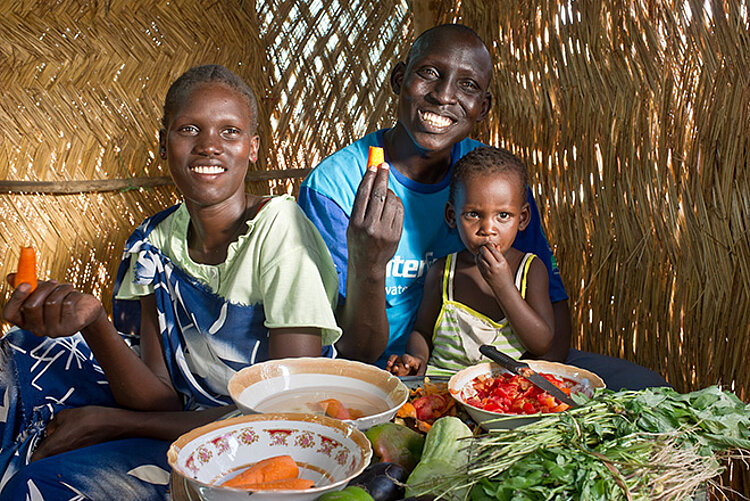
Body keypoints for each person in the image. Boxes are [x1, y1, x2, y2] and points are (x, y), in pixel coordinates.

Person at [0, 64, 341, 500]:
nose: (209, 147)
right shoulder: (151, 242)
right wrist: (94, 321)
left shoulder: (280, 231)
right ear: (164, 145)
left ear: (253, 148)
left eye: (230, 132)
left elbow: (288, 414)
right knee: (19, 356)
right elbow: (160, 397)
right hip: (182, 420)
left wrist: (114, 424)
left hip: (262, 443)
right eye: (190, 130)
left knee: (43, 485)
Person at [298, 24, 669, 390]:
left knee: (646, 386)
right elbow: (356, 351)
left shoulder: (493, 179)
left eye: (468, 85)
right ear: (399, 79)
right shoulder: (334, 189)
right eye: (429, 73)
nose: (444, 96)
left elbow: (552, 304)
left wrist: (537, 390)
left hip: (506, 367)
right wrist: (370, 263)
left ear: (483, 107)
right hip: (394, 372)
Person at [386, 147, 553, 376]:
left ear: (522, 218)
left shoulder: (530, 269)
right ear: (452, 216)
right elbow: (422, 332)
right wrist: (417, 358)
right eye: (473, 214)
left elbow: (541, 342)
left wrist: (503, 286)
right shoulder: (443, 272)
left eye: (503, 215)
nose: (488, 229)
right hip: (441, 390)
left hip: (501, 400)